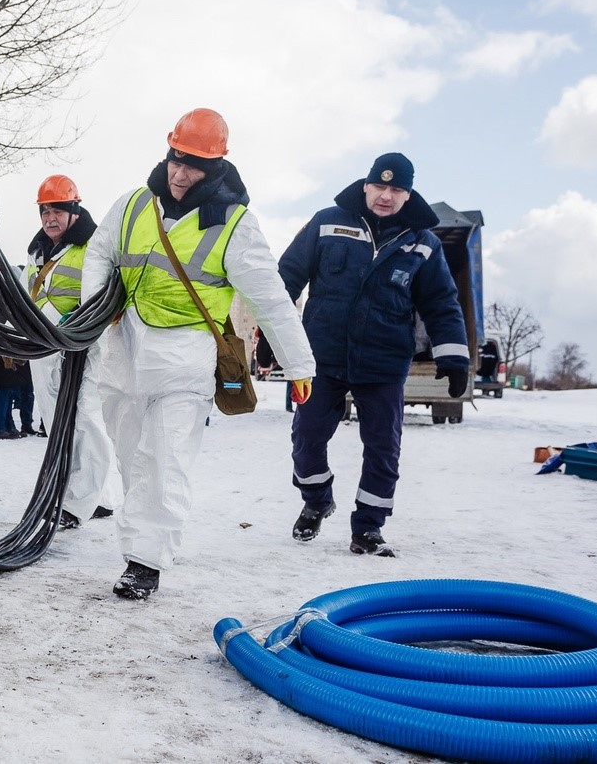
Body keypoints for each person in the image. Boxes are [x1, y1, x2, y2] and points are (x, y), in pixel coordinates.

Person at [81, 108, 315, 600]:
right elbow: (100, 252)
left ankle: (145, 561)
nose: (182, 174)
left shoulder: (234, 224)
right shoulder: (131, 205)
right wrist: (96, 311)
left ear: (216, 168)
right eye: (177, 161)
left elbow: (269, 297)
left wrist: (299, 364)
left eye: (195, 167)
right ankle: (140, 540)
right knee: (132, 457)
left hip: (185, 355)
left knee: (166, 460)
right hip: (124, 349)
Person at [278, 152, 468, 558]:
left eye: (396, 188)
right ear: (365, 185)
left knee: (383, 448)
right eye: (380, 186)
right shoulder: (326, 221)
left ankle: (368, 527)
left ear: (408, 193)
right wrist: (273, 336)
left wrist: (454, 356)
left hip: (383, 363)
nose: (386, 195)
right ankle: (316, 500)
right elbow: (287, 276)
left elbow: (442, 303)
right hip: (322, 356)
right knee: (306, 438)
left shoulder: (423, 242)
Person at [24, 174, 119, 528]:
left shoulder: (93, 246)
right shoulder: (37, 249)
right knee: (56, 418)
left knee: (83, 417)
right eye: (44, 211)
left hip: (81, 345)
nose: (50, 218)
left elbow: (100, 294)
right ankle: (101, 496)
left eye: (57, 211)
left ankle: (79, 503)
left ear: (74, 211)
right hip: (43, 344)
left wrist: (75, 327)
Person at [0, 351, 27, 440]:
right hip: (4, 362)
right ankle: (0, 428)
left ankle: (8, 426)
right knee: (4, 394)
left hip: (3, 362)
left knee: (7, 394)